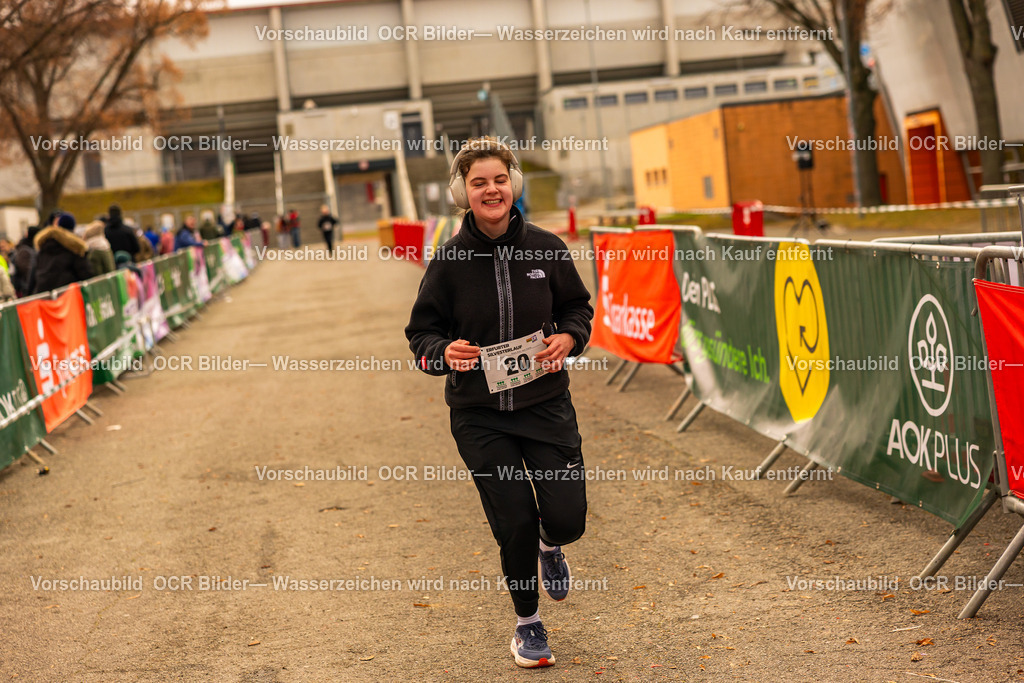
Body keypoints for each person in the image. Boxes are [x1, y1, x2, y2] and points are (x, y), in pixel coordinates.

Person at [405, 138, 593, 669]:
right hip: (480, 417)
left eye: (500, 179)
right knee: (513, 520)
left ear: (515, 185)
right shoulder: (449, 261)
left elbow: (578, 308)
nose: (491, 190)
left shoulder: (547, 248)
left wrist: (570, 338)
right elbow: (421, 334)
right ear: (461, 193)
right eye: (478, 182)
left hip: (546, 406)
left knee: (568, 519)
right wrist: (443, 352)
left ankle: (551, 543)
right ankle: (528, 624)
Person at [32, 212, 93, 293]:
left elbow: (33, 275)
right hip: (67, 295)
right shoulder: (74, 247)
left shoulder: (44, 246)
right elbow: (85, 273)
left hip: (44, 295)